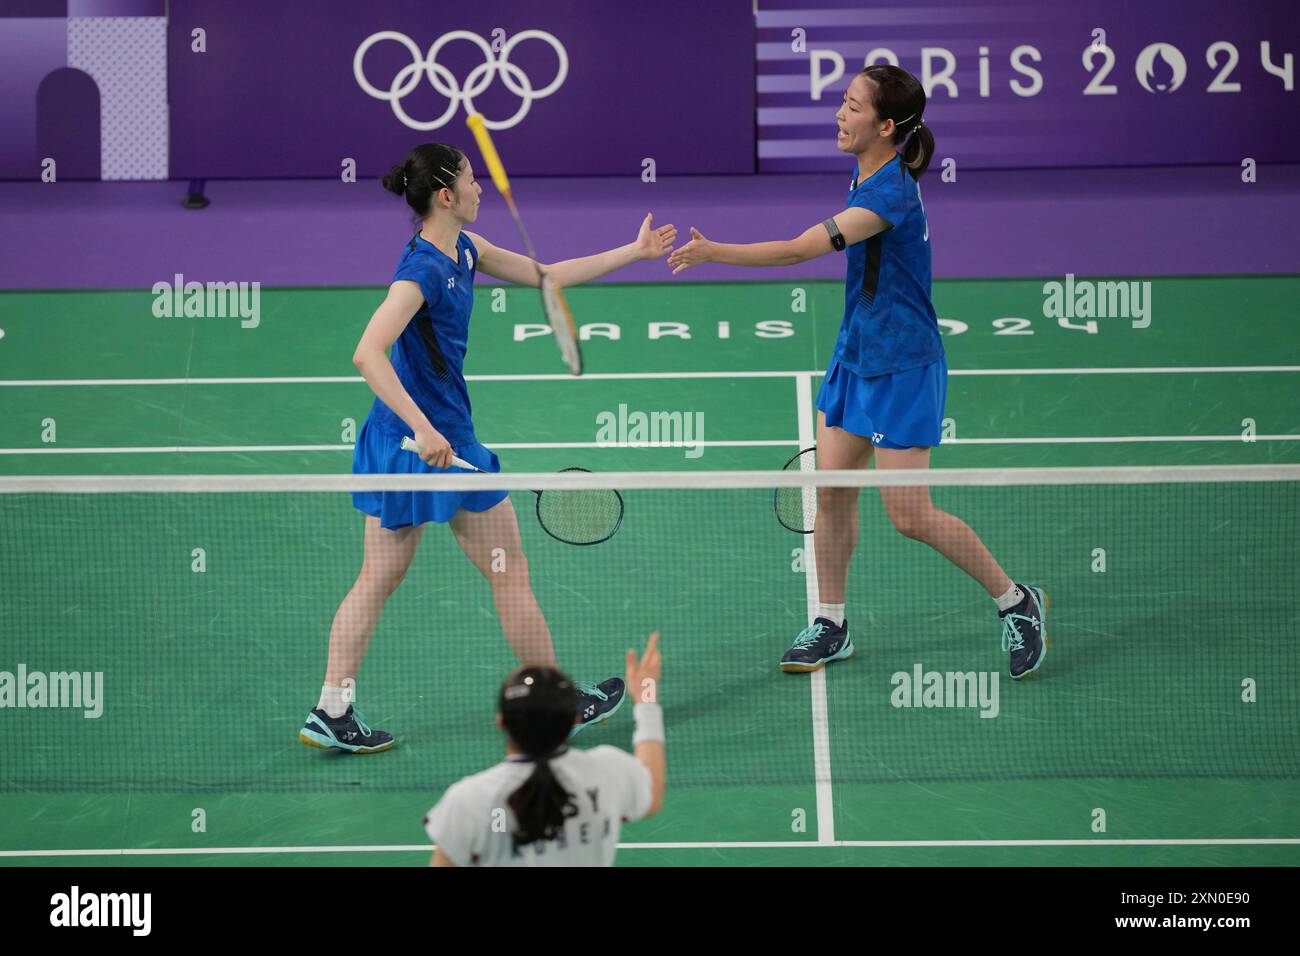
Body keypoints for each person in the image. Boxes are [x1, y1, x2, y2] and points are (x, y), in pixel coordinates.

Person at [667, 65, 1047, 679]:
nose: (840, 116)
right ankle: (832, 623)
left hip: (902, 367)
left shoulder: (889, 194)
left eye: (851, 107)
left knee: (910, 515)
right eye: (842, 103)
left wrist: (714, 252)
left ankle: (1016, 601)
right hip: (855, 356)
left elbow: (796, 250)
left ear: (886, 125)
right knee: (834, 497)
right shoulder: (867, 168)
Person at [301, 144, 677, 753]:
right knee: (509, 573)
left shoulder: (466, 250)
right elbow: (367, 352)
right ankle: (558, 701)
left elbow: (546, 275)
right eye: (472, 181)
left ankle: (331, 709)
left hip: (412, 437)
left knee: (379, 577)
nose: (481, 190)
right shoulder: (420, 271)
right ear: (445, 196)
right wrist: (425, 428)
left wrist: (632, 252)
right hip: (421, 439)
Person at [425, 633, 664, 866]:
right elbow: (651, 792)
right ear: (571, 720)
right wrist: (647, 698)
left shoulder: (468, 801)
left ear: (502, 723)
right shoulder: (608, 771)